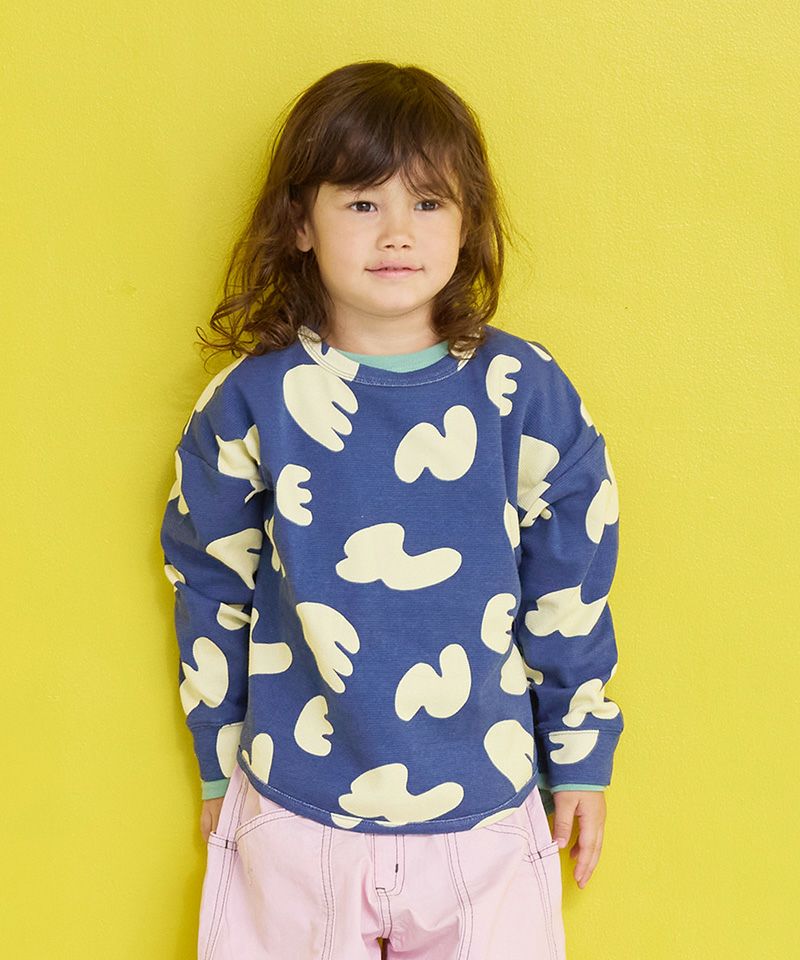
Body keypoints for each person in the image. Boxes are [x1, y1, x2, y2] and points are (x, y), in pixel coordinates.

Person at [159, 59, 623, 960]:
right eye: (363, 202)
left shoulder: (524, 392)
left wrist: (580, 753)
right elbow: (209, 582)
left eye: (429, 202)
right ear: (301, 222)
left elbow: (572, 582)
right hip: (292, 810)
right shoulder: (251, 401)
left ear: (468, 222)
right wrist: (218, 759)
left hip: (486, 813)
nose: (398, 233)